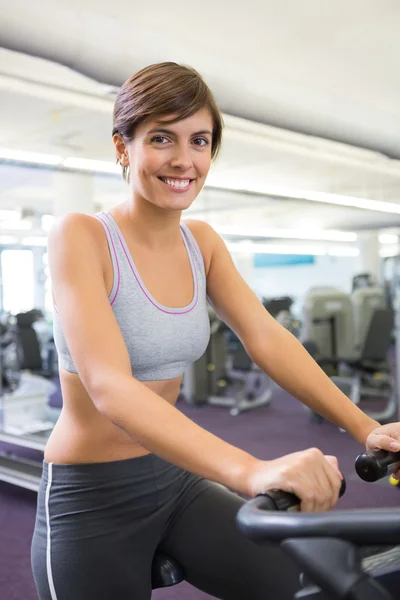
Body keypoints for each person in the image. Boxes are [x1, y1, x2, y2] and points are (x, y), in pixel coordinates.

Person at [31, 62, 400, 600]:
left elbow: (266, 338)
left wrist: (365, 426)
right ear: (122, 147)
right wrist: (250, 471)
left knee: (284, 583)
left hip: (174, 476)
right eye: (161, 138)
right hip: (89, 494)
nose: (184, 160)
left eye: (199, 141)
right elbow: (109, 386)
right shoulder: (81, 236)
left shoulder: (201, 242)